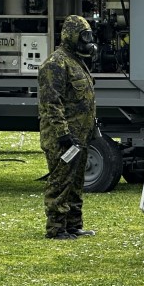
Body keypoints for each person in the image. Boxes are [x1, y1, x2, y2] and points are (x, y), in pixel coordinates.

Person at [38, 14, 99, 239]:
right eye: (83, 37)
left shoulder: (76, 61)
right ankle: (56, 228)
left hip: (79, 136)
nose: (87, 42)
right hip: (63, 138)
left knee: (75, 182)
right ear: (71, 37)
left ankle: (73, 224)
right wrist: (63, 134)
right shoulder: (55, 64)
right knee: (61, 181)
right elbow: (51, 104)